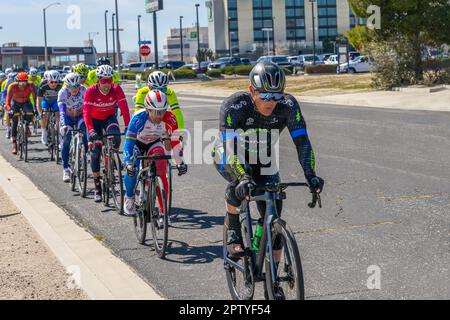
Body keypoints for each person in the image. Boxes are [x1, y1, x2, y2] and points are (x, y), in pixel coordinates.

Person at [212, 62, 324, 263]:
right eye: (265, 95)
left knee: (274, 214)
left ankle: (273, 277)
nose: (271, 102)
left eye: (277, 95)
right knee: (237, 186)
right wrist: (243, 177)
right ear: (251, 91)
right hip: (230, 153)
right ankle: (234, 230)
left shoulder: (288, 106)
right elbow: (228, 146)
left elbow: (302, 142)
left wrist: (310, 174)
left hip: (263, 158)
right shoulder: (235, 105)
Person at [122, 90, 187, 219]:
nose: (159, 115)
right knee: (132, 171)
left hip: (154, 143)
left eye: (163, 111)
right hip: (137, 144)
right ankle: (129, 196)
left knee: (162, 171)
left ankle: (164, 212)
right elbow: (128, 144)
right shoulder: (138, 118)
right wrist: (128, 163)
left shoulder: (170, 118)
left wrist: (179, 162)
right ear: (147, 109)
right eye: (156, 112)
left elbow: (175, 143)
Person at [83, 64, 130, 203]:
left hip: (109, 119)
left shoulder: (116, 89)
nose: (107, 84)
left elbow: (125, 109)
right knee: (95, 152)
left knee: (116, 136)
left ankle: (112, 159)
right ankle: (98, 185)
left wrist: (128, 126)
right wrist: (90, 130)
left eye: (109, 80)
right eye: (104, 81)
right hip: (94, 122)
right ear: (98, 80)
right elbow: (86, 113)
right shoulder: (91, 91)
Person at [58, 73, 88, 182]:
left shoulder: (84, 90)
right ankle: (65, 168)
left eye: (76, 86)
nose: (74, 89)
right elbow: (61, 110)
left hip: (80, 116)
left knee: (85, 131)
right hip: (68, 117)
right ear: (66, 86)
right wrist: (63, 125)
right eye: (71, 87)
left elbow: (88, 107)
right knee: (66, 140)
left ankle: (83, 154)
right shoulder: (62, 92)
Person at [4, 72, 36, 154]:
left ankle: (27, 125)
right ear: (17, 81)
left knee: (30, 113)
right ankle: (14, 144)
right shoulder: (12, 86)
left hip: (26, 102)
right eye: (21, 82)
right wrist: (8, 108)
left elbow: (35, 98)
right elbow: (8, 100)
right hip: (15, 103)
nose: (23, 84)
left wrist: (36, 107)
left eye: (25, 82)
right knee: (14, 122)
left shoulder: (31, 85)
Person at [36, 70, 62, 145]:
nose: (54, 84)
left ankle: (59, 134)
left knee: (59, 116)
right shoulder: (42, 85)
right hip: (45, 101)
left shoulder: (61, 84)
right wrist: (40, 113)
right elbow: (39, 101)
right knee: (43, 115)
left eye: (56, 82)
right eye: (51, 82)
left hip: (55, 101)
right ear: (47, 80)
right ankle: (44, 132)